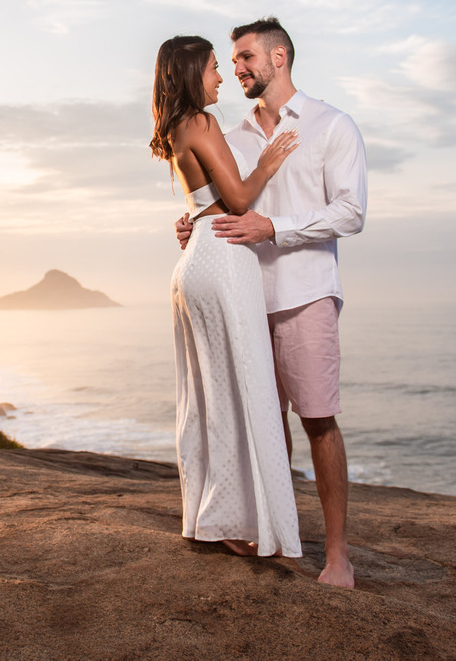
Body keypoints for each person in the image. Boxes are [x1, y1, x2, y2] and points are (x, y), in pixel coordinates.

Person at [176, 17, 367, 588]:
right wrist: (192, 224)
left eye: (245, 58)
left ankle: (337, 555)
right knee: (261, 422)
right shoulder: (228, 135)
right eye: (230, 61)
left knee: (318, 420)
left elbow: (350, 213)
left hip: (306, 294)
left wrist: (272, 228)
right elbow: (214, 200)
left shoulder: (332, 125)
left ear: (279, 57)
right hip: (243, 296)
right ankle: (274, 532)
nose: (235, 69)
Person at [150, 34, 303, 560]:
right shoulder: (202, 122)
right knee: (244, 389)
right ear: (192, 73)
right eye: (215, 68)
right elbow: (237, 198)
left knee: (208, 393)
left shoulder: (174, 127)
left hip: (194, 264)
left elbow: (203, 202)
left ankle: (208, 516)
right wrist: (269, 160)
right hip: (220, 257)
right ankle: (233, 522)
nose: (221, 77)